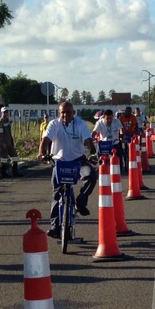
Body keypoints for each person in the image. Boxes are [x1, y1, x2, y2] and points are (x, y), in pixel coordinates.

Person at [38, 100, 94, 234]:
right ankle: (55, 226)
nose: (65, 115)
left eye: (69, 112)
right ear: (59, 113)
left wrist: (93, 153)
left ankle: (81, 201)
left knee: (91, 174)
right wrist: (41, 153)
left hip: (78, 161)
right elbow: (46, 140)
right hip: (59, 161)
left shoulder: (81, 124)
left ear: (73, 113)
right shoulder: (54, 124)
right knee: (57, 193)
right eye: (63, 112)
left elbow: (88, 141)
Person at [0, 104, 20, 176]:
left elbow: (9, 132)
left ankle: (15, 172)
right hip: (4, 143)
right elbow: (1, 135)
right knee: (4, 159)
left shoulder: (7, 120)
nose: (5, 113)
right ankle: (3, 173)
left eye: (6, 112)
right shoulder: (0, 122)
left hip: (9, 142)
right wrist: (3, 144)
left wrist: (11, 140)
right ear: (1, 113)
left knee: (15, 157)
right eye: (4, 112)